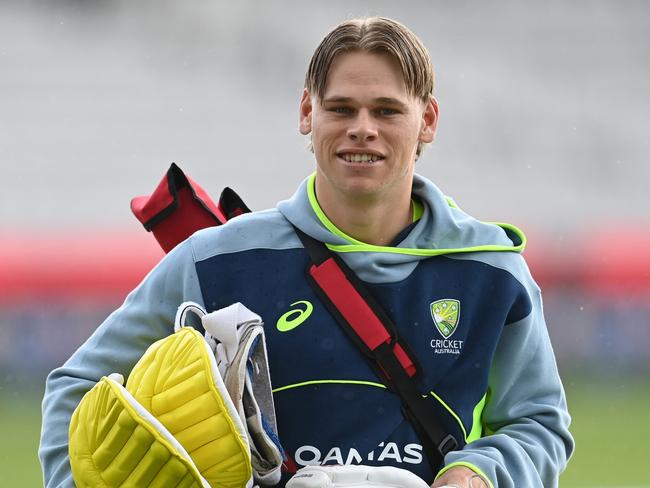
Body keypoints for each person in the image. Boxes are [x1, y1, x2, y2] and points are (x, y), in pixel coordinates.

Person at [39, 16, 573, 488]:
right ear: (306, 112)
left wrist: (478, 474)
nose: (362, 128)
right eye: (341, 108)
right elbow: (76, 389)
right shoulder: (216, 260)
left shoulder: (491, 270)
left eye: (387, 110)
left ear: (427, 120)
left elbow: (538, 423)